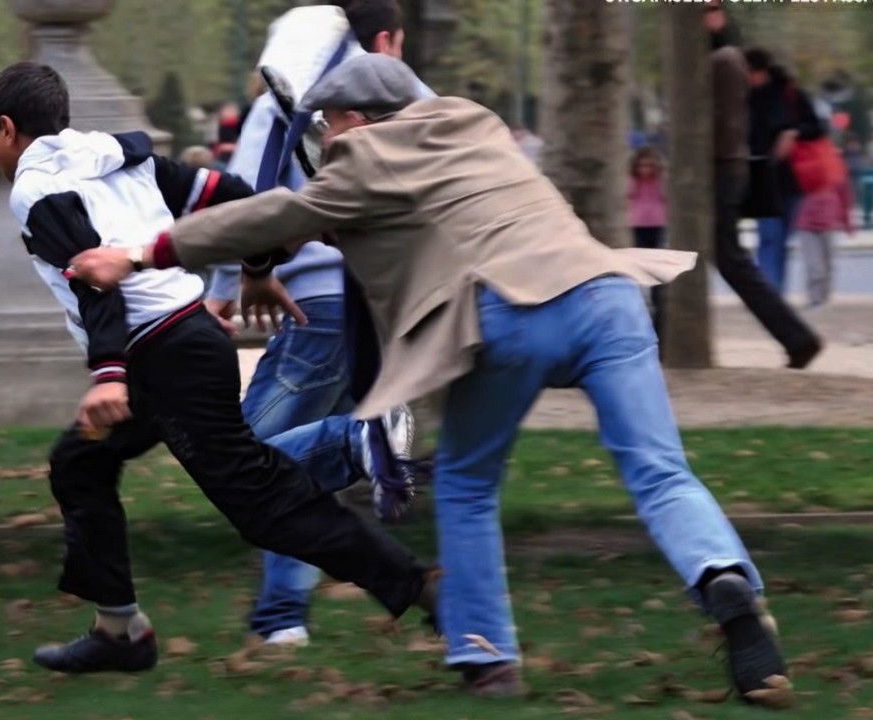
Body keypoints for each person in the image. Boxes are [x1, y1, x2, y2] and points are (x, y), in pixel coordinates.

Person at [67, 53, 790, 704]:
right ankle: (722, 579)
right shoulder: (475, 123)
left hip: (506, 313)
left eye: (328, 124)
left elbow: (280, 212)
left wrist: (138, 255)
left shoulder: (362, 158)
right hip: (608, 293)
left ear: (355, 118)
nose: (323, 137)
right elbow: (376, 215)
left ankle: (485, 653)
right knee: (660, 470)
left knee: (469, 484)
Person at [0, 61, 436, 675]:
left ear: (6, 129)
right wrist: (258, 267)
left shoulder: (36, 189)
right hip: (180, 340)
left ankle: (425, 588)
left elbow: (96, 281)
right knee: (80, 463)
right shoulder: (113, 156)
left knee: (265, 503)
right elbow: (230, 196)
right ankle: (119, 632)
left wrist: (108, 374)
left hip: (163, 356)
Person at [206, 0, 430, 648]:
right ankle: (294, 615)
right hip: (390, 306)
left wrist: (226, 285)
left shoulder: (289, 99)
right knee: (294, 474)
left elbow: (242, 191)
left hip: (320, 305)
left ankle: (368, 444)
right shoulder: (417, 101)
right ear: (386, 38)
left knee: (248, 466)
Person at [706, 2, 822, 369]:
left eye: (709, 8)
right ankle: (797, 338)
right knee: (718, 258)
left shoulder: (724, 60)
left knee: (729, 259)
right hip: (723, 168)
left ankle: (798, 337)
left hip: (720, 169)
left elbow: (725, 124)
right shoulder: (718, 58)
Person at [744, 48, 824, 294]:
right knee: (769, 237)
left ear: (760, 71)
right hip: (760, 174)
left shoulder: (789, 93)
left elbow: (817, 127)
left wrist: (794, 132)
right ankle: (771, 293)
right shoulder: (741, 97)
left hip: (792, 178)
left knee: (781, 239)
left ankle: (775, 292)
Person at [794, 154, 854, 307]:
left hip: (829, 224)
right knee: (814, 266)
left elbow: (845, 197)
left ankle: (825, 296)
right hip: (807, 225)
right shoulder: (804, 170)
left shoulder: (837, 173)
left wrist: (847, 223)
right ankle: (815, 299)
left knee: (828, 265)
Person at [629, 146, 668, 335]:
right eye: (642, 165)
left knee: (655, 278)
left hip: (657, 226)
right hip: (637, 226)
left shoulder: (660, 182)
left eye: (650, 165)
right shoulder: (632, 182)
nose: (645, 169)